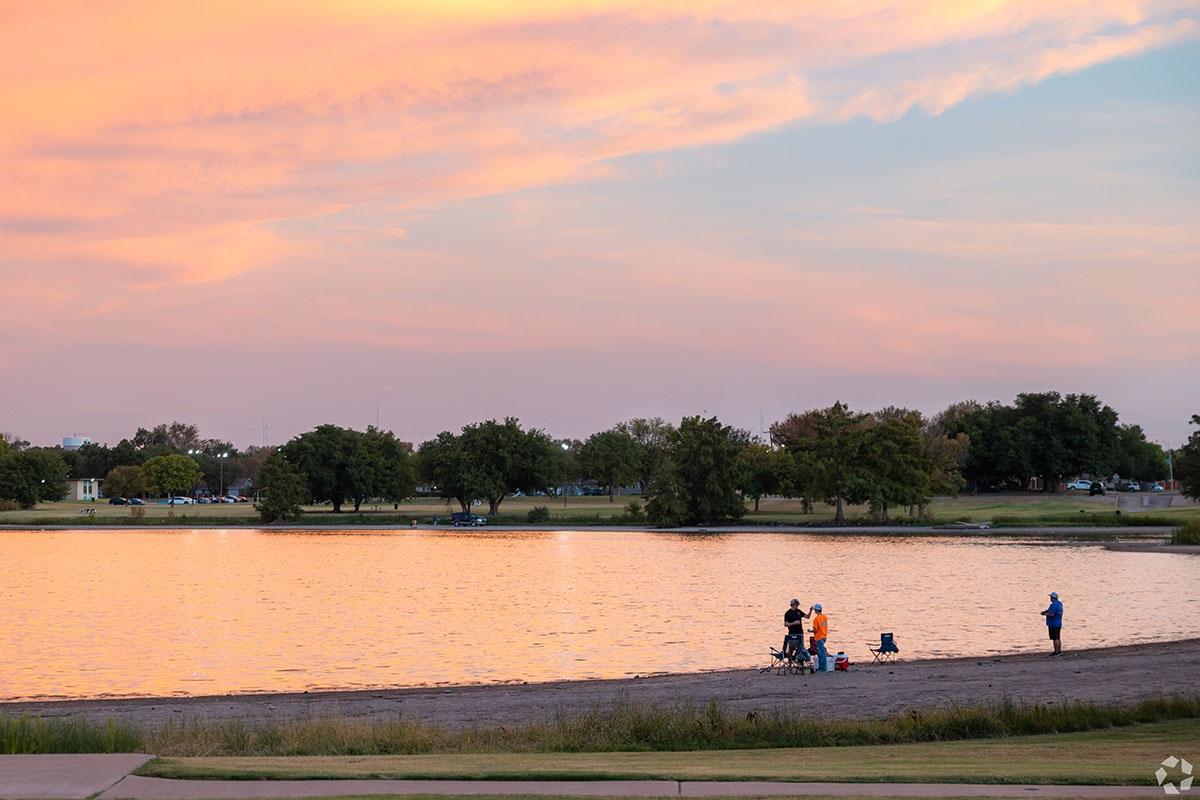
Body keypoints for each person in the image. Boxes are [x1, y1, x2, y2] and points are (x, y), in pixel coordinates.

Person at [811, 603, 829, 671]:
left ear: (816, 610)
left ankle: (822, 668)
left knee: (821, 653)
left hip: (819, 637)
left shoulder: (816, 619)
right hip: (824, 636)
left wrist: (811, 631)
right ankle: (822, 667)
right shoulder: (825, 617)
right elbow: (823, 627)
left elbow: (816, 629)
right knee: (822, 652)